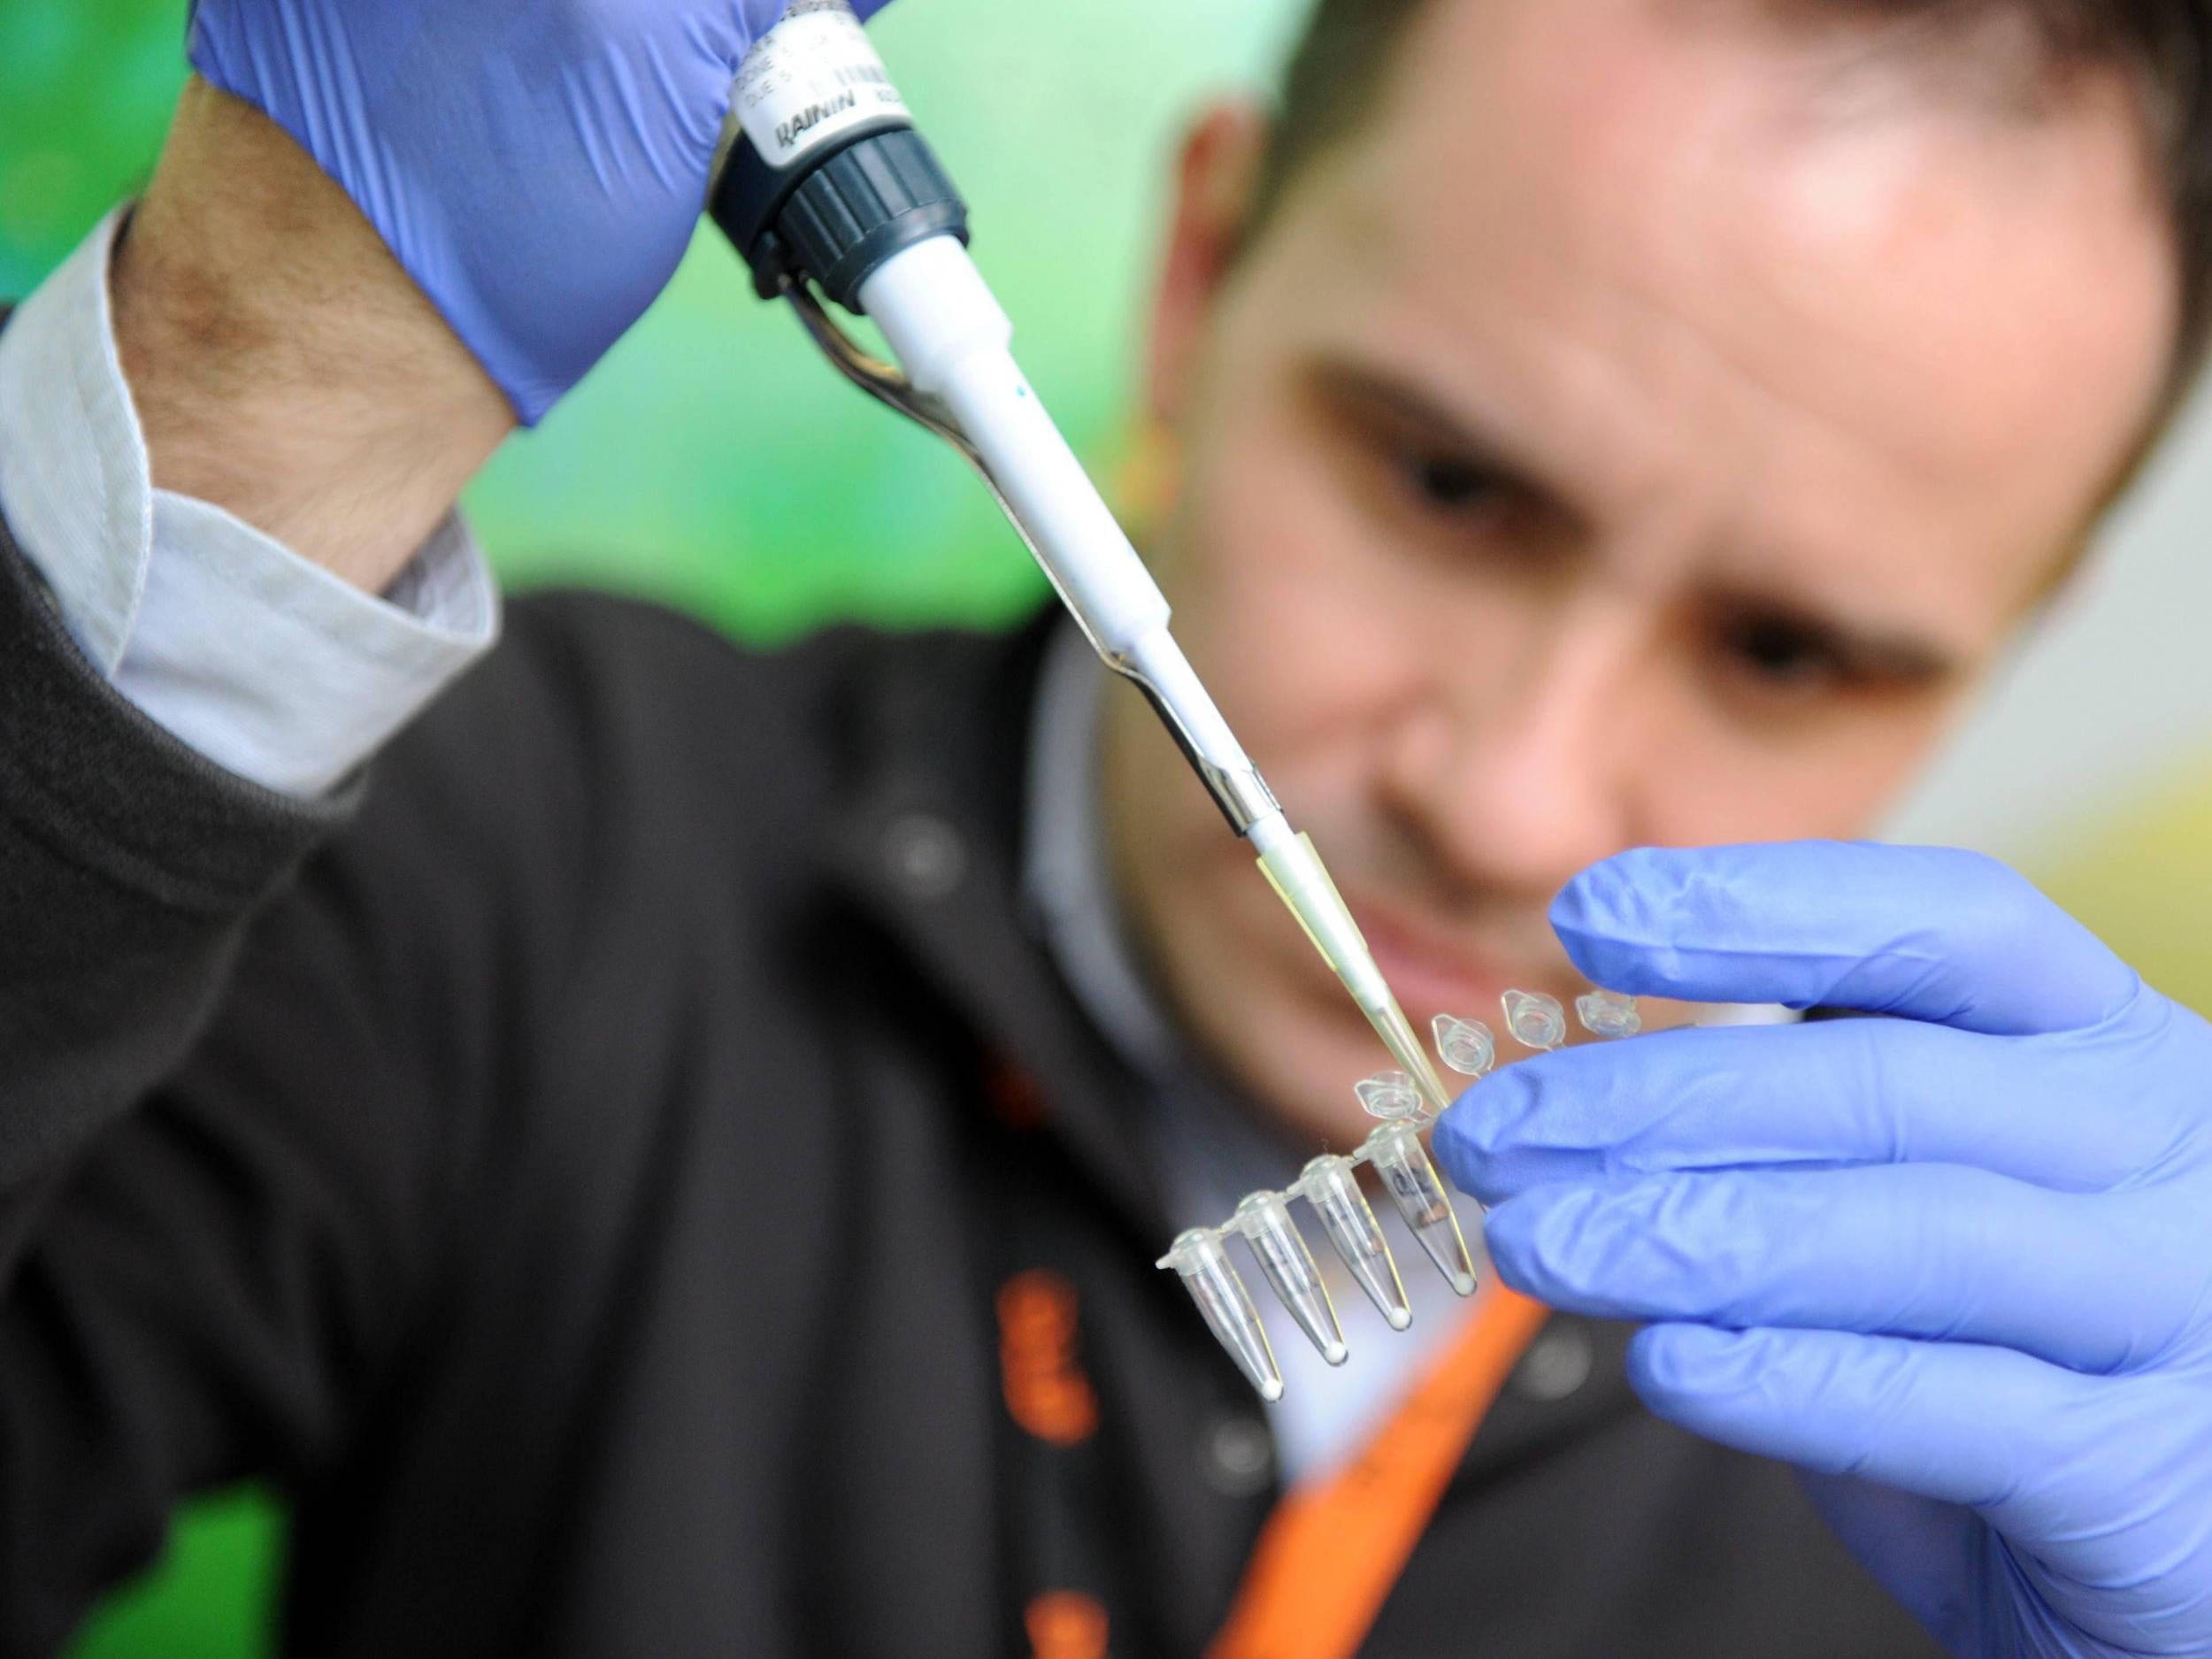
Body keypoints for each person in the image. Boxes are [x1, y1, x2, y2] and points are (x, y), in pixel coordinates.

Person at [2, 0, 2208, 1652]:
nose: (1506, 796)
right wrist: (240, 395)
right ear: (1197, 272)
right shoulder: (528, 849)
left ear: (2008, 627)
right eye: (1444, 484)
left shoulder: (1994, 1461)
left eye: (1788, 653)